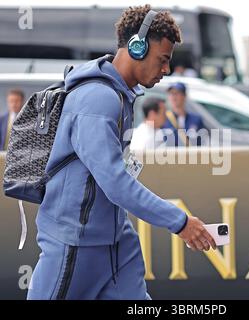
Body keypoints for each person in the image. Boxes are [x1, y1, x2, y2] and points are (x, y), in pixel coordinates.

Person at [27, 5, 216, 301]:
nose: (166, 69)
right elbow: (116, 183)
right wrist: (180, 222)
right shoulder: (98, 99)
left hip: (116, 243)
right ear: (137, 48)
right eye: (163, 60)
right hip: (76, 244)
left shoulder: (117, 95)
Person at [162, 82, 207, 146]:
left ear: (184, 96)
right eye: (171, 94)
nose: (174, 97)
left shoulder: (196, 119)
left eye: (176, 93)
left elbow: (201, 143)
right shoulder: (164, 119)